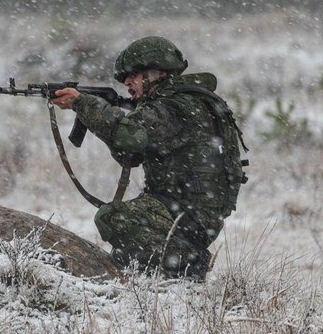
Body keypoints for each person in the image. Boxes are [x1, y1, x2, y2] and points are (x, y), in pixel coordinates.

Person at [52, 36, 247, 280]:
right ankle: (156, 274)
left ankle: (187, 267)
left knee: (113, 218)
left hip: (188, 214)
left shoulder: (176, 106)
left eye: (134, 75)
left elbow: (130, 135)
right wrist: (105, 116)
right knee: (125, 249)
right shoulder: (175, 103)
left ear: (158, 73)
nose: (127, 82)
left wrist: (84, 104)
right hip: (184, 207)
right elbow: (130, 155)